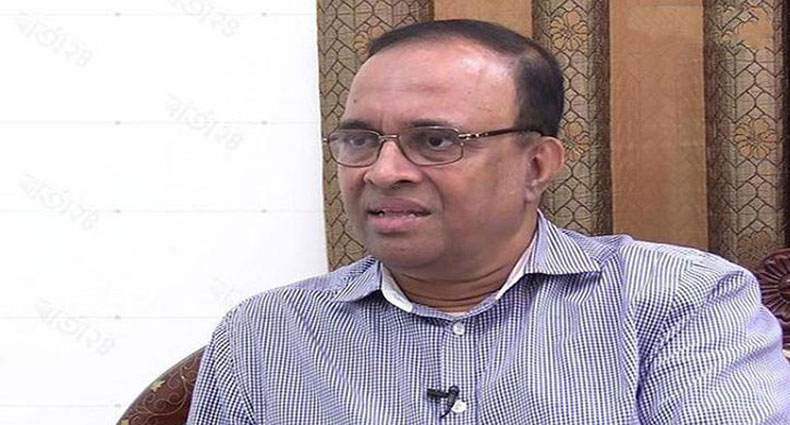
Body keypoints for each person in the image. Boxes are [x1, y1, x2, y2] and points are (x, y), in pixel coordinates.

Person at [186, 19, 790, 424]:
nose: (383, 171)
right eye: (361, 139)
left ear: (536, 165)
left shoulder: (681, 301)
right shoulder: (265, 333)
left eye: (435, 140)